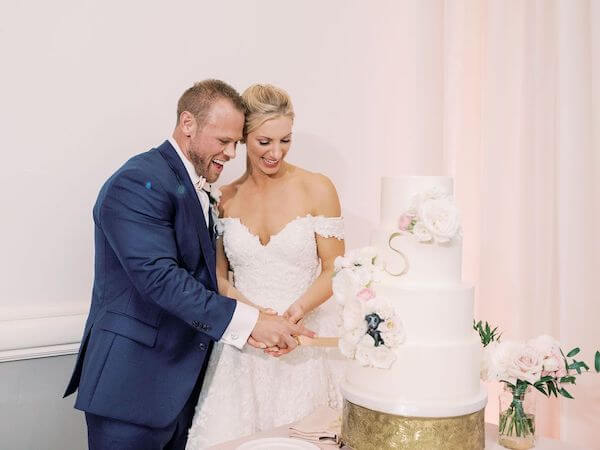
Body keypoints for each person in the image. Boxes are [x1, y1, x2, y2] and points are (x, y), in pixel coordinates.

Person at [63, 79, 314, 450]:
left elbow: (206, 277)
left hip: (182, 387)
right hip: (133, 386)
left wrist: (261, 314)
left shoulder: (190, 183)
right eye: (223, 141)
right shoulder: (138, 181)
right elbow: (161, 280)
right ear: (188, 124)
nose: (230, 153)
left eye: (236, 144)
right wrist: (253, 324)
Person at [185, 84, 346, 449]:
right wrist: (257, 317)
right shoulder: (223, 198)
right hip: (246, 346)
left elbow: (334, 268)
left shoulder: (316, 188)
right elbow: (220, 277)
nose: (276, 152)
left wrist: (294, 314)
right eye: (264, 142)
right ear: (242, 139)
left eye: (285, 140)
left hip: (303, 339)